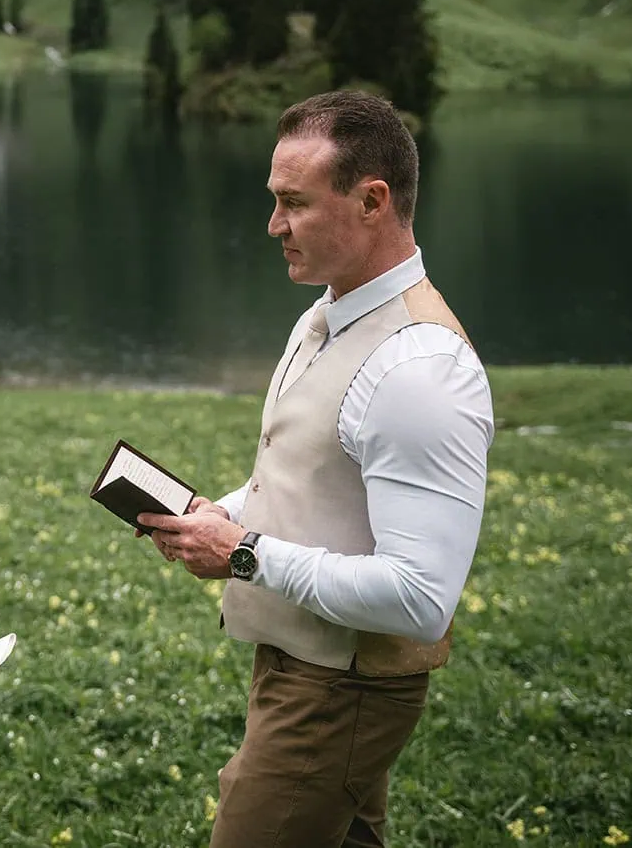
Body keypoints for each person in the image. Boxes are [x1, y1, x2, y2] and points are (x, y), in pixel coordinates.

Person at [138, 90, 493, 848]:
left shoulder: (421, 368)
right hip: (304, 664)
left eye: (294, 203)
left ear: (372, 201)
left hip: (343, 688)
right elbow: (307, 477)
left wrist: (242, 551)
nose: (274, 225)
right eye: (275, 200)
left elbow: (421, 599)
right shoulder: (329, 311)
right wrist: (221, 513)